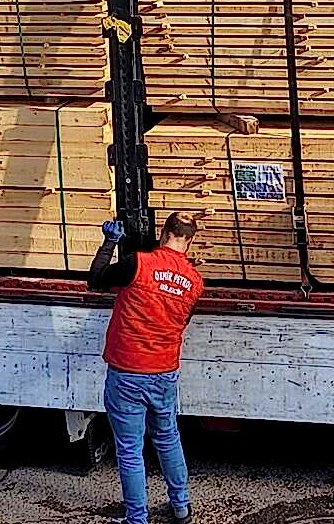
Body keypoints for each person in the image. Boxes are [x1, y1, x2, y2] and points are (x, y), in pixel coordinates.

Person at [87, 211, 204, 524]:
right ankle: (181, 507)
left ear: (163, 233)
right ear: (189, 242)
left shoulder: (138, 264)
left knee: (129, 450)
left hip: (127, 371)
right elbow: (182, 321)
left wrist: (110, 242)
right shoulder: (195, 282)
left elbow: (96, 280)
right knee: (168, 438)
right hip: (164, 373)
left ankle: (137, 519)